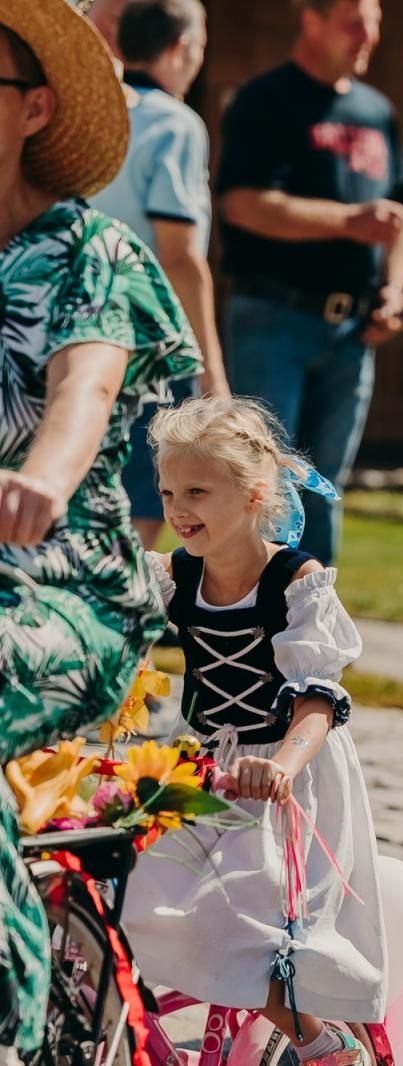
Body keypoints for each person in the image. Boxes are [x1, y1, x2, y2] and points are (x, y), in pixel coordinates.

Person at [0, 0, 201, 1054]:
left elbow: (82, 390)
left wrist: (41, 477)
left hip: (66, 593)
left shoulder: (90, 253)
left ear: (34, 108)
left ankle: (14, 1020)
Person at [122, 395, 384, 1066]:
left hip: (287, 780)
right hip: (207, 766)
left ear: (254, 494)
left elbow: (318, 698)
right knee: (133, 896)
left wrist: (283, 770)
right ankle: (137, 1039)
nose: (178, 509)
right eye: (168, 491)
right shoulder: (175, 576)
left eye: (198, 492)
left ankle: (322, 1046)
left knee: (246, 924)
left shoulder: (295, 582)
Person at [217, 0, 403, 565]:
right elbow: (242, 204)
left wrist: (394, 294)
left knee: (325, 487)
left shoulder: (377, 112)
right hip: (273, 318)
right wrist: (350, 222)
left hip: (352, 332)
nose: (368, 36)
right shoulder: (266, 100)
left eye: (375, 23)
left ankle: (310, 632)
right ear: (310, 19)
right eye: (354, 22)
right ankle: (243, 624)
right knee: (261, 479)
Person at [90, 0, 229, 550]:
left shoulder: (92, 111)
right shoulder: (176, 124)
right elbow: (180, 254)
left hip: (73, 328)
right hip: (147, 339)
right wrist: (210, 370)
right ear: (182, 48)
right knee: (143, 508)